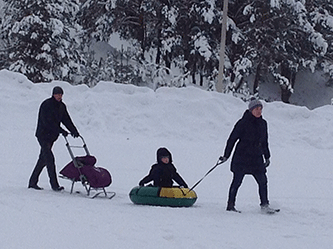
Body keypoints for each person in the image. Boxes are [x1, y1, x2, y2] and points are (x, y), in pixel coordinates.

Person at [219, 99, 273, 213]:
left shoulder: (263, 124)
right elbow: (232, 139)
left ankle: (265, 205)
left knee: (263, 181)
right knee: (237, 181)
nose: (259, 111)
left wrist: (267, 156)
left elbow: (264, 142)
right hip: (242, 156)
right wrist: (226, 155)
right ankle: (230, 205)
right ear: (251, 110)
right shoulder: (242, 123)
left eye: (260, 109)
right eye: (256, 109)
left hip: (256, 157)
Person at [28, 86, 80, 191]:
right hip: (43, 135)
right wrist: (61, 130)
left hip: (52, 136)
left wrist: (74, 130)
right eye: (57, 94)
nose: (59, 96)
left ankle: (32, 182)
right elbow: (47, 122)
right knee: (50, 159)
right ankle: (54, 185)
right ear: (53, 94)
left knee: (43, 159)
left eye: (61, 94)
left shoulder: (62, 106)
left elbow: (66, 119)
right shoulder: (46, 105)